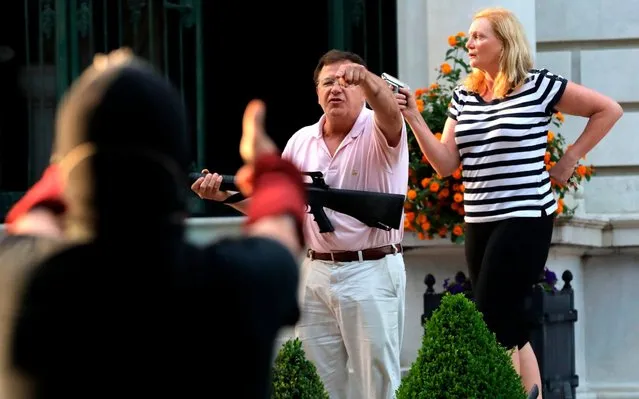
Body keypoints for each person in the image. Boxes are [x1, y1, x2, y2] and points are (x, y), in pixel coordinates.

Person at [9, 49, 306, 398]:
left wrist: (74, 153)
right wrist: (268, 168)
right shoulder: (235, 284)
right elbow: (281, 223)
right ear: (178, 167)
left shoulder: (18, 277)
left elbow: (36, 214)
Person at [394, 7, 623, 397]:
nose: (470, 43)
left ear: (505, 42)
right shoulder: (463, 96)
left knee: (488, 319)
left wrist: (569, 159)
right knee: (508, 322)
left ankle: (499, 394)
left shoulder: (538, 86)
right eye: (469, 36)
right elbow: (446, 163)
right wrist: (414, 117)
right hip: (479, 219)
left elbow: (609, 109)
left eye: (479, 36)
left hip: (525, 218)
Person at [192, 49, 409, 398]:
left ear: (364, 90)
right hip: (316, 272)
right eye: (328, 83)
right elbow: (280, 207)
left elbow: (388, 108)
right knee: (318, 384)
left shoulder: (380, 127)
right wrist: (225, 196)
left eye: (346, 81)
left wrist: (367, 79)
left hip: (372, 268)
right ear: (317, 93)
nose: (336, 89)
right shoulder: (300, 140)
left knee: (378, 386)